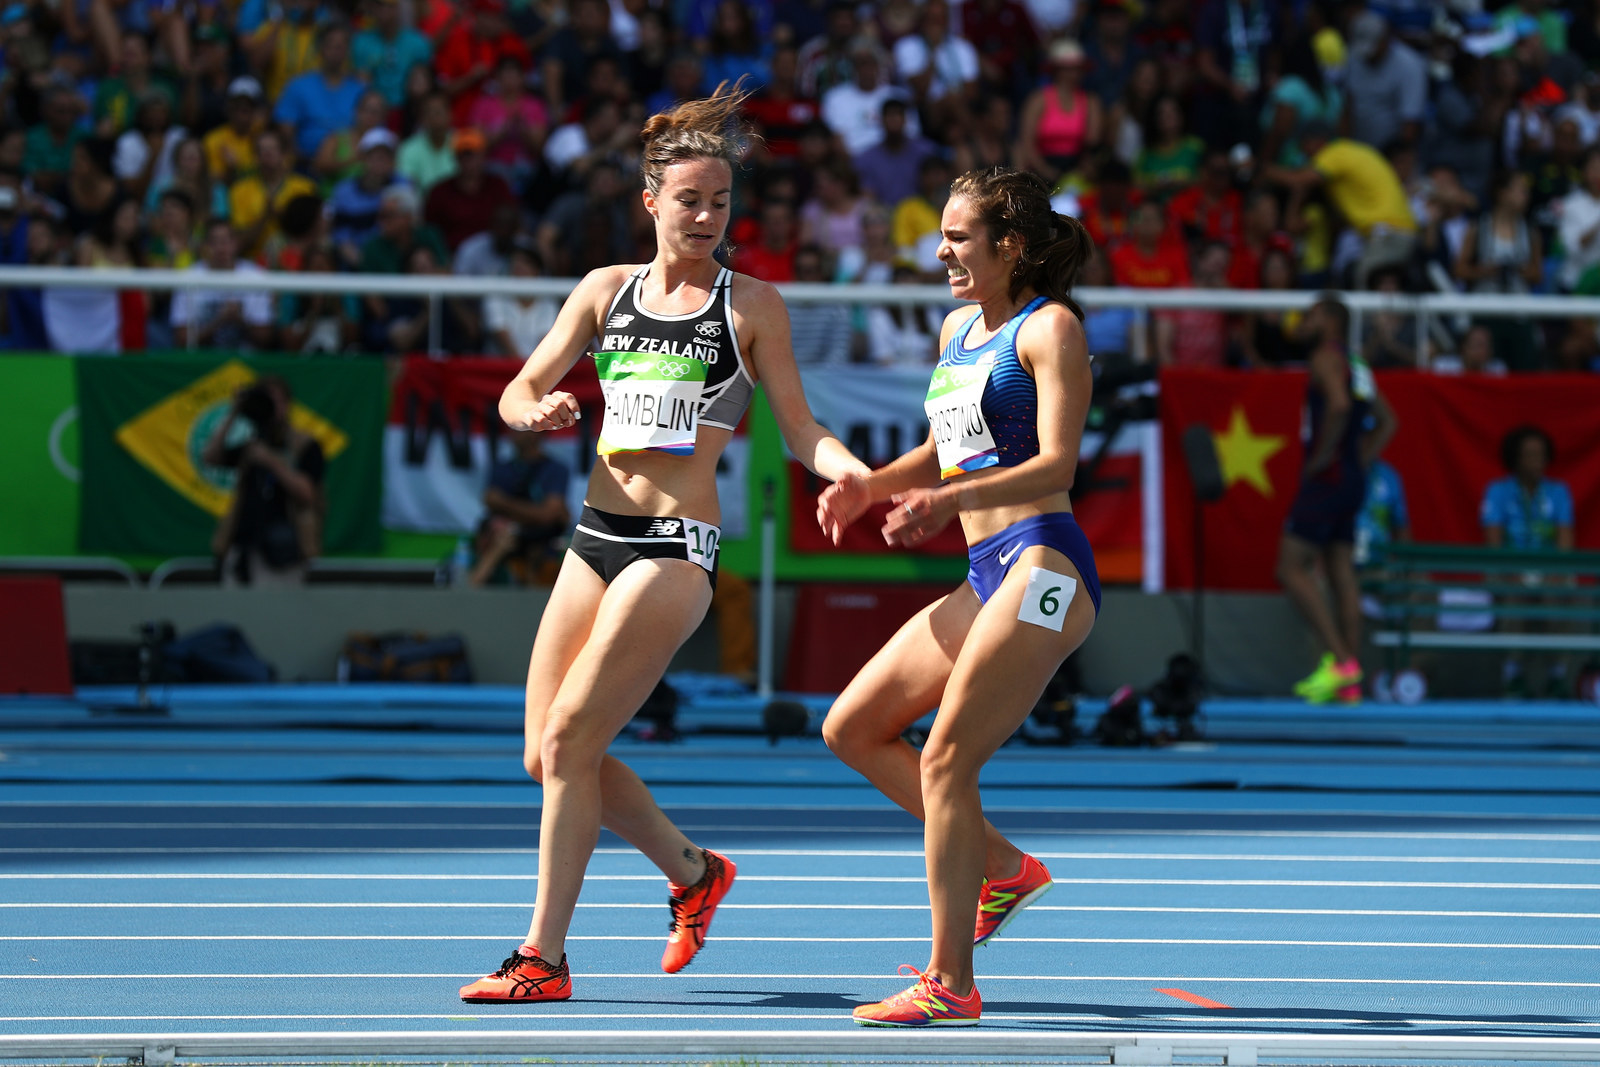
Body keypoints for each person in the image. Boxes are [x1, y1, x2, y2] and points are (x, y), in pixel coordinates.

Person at [458, 85, 869, 1005]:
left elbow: (801, 427)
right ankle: (692, 871)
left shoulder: (752, 303)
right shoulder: (605, 290)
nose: (707, 216)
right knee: (543, 754)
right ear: (651, 201)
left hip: (675, 547)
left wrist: (847, 469)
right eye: (690, 199)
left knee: (570, 738)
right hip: (593, 537)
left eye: (722, 201)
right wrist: (539, 407)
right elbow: (519, 386)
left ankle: (543, 959)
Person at [816, 166, 1098, 1027]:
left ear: (1009, 246)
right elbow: (946, 445)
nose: (942, 250)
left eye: (960, 237)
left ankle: (951, 982)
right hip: (986, 573)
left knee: (945, 758)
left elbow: (1057, 464)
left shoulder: (1052, 329)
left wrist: (948, 500)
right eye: (942, 235)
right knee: (852, 727)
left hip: (1047, 568)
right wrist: (871, 487)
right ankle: (1006, 867)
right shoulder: (955, 328)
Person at [1278, 295, 1397, 706]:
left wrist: (1324, 456)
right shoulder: (1357, 363)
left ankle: (1342, 662)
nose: (1304, 322)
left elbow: (1340, 406)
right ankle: (1350, 683)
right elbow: (1387, 421)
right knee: (1340, 567)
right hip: (1352, 478)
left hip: (1329, 477)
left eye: (1310, 315)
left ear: (1329, 319)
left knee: (1291, 566)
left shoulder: (1326, 357)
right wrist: (1357, 458)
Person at [203, 375, 326, 588]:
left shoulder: (304, 444)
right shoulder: (251, 445)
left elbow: (307, 494)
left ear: (288, 405)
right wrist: (235, 411)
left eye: (277, 401)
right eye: (266, 400)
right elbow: (210, 457)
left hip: (283, 550)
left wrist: (271, 461)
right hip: (242, 546)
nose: (272, 407)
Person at [1481, 425, 1576, 697]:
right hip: (1510, 569)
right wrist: (1511, 572)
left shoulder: (1559, 492)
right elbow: (1493, 542)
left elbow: (1565, 542)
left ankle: (1557, 675)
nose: (1536, 462)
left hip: (1548, 570)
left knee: (1559, 591)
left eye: (1541, 455)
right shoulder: (1497, 491)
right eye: (1529, 455)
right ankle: (1514, 675)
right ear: (1515, 459)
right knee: (1512, 593)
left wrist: (1554, 572)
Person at [469, 428, 571, 587]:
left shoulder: (555, 469)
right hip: (502, 546)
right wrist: (533, 514)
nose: (512, 433)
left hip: (542, 542)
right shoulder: (501, 467)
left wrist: (505, 506)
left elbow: (550, 514)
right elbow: (489, 499)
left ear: (536, 433)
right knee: (498, 542)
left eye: (520, 428)